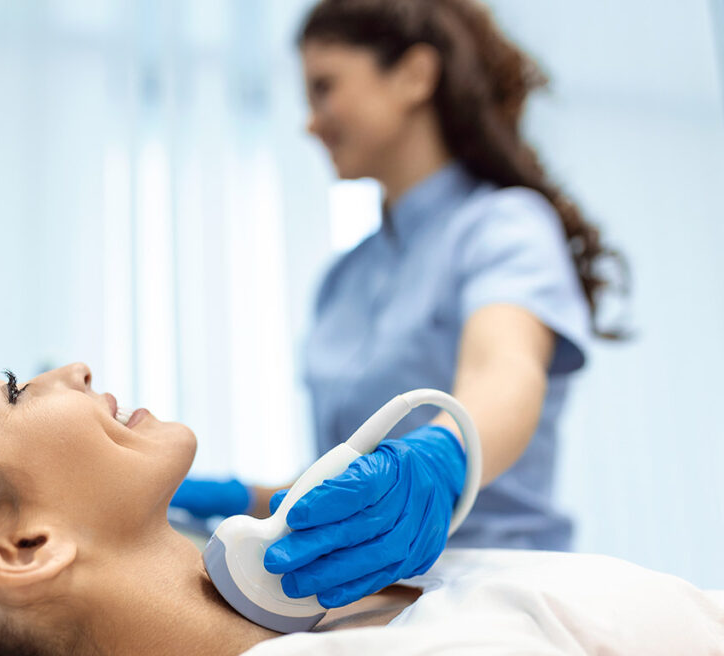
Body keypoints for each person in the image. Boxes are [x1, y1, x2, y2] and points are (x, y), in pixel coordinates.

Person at [0, 364, 721, 656]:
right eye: (10, 388)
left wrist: (437, 440)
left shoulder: (306, 602)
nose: (72, 372)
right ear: (19, 549)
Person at [171, 0, 629, 606]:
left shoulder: (503, 225)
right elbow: (356, 485)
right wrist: (245, 501)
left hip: (503, 589)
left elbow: (503, 372)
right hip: (363, 600)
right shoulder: (343, 278)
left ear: (415, 75)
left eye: (324, 88)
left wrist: (443, 456)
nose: (310, 122)